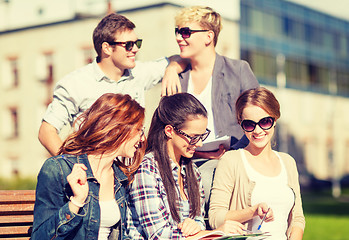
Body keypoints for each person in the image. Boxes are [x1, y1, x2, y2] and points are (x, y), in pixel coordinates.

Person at [38, 13, 185, 156]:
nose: (135, 49)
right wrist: (71, 168)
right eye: (128, 45)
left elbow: (181, 58)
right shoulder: (74, 84)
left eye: (137, 43)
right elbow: (46, 131)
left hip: (132, 171)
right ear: (107, 48)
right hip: (95, 175)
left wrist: (172, 68)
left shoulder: (138, 73)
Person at [126, 93, 245, 239]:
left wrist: (195, 226)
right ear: (169, 131)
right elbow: (158, 235)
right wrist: (215, 233)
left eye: (202, 136)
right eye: (194, 137)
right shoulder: (147, 170)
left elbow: (199, 220)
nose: (200, 144)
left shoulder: (192, 171)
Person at [174, 6, 260, 205]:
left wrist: (231, 156)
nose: (179, 37)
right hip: (185, 159)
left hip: (230, 159)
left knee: (204, 179)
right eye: (177, 31)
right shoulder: (177, 77)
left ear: (208, 36)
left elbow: (258, 118)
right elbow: (165, 128)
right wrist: (202, 153)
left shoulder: (238, 70)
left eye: (186, 31)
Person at [32, 93, 146, 239]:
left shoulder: (120, 178)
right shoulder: (58, 169)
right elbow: (40, 237)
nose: (142, 138)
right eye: (139, 130)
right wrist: (76, 202)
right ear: (118, 128)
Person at [209, 87, 305, 240]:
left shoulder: (288, 162)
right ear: (241, 124)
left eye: (265, 122)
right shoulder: (231, 160)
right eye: (249, 124)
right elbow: (215, 217)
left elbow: (297, 218)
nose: (258, 130)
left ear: (275, 119)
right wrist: (252, 211)